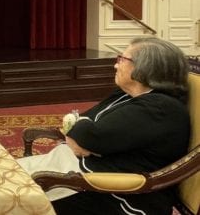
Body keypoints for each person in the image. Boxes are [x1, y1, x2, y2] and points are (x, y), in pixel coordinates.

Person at [18, 37, 191, 215]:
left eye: (122, 59)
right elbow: (79, 121)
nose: (116, 65)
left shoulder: (159, 108)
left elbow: (90, 136)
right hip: (89, 176)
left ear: (145, 68)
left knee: (14, 198)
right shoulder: (125, 95)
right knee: (5, 177)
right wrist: (80, 133)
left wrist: (83, 135)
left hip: (119, 196)